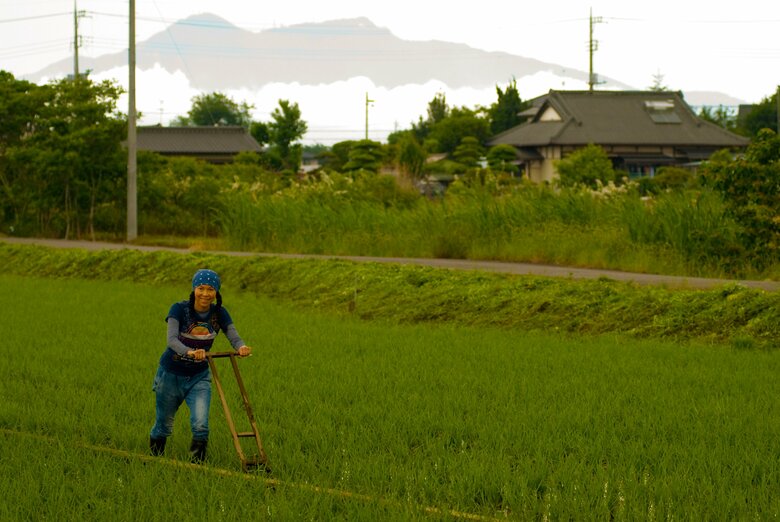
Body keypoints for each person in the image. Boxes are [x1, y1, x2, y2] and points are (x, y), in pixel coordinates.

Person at [149, 268, 251, 463]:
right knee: (164, 425)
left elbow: (233, 335)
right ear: (194, 289)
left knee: (201, 425)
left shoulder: (219, 313)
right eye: (201, 288)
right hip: (171, 374)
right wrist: (189, 351)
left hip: (199, 376)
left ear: (216, 292)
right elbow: (171, 340)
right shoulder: (179, 309)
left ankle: (197, 467)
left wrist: (242, 347)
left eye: (210, 289)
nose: (205, 293)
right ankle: (155, 461)